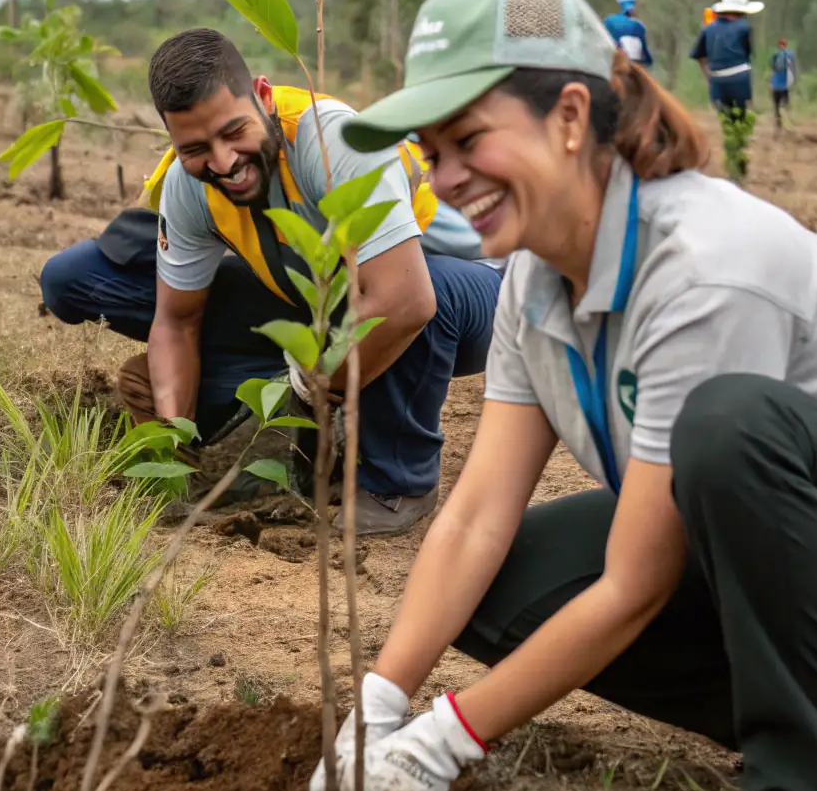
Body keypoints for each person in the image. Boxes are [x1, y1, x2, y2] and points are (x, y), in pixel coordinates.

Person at [304, 0, 817, 791]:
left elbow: (635, 584)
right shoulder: (534, 285)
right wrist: (381, 706)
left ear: (571, 115)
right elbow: (472, 519)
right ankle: (804, 674)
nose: (444, 175)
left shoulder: (704, 265)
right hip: (767, 536)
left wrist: (447, 739)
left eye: (468, 138)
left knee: (729, 421)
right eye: (428, 150)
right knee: (488, 588)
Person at [39, 28, 501, 536]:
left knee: (410, 296)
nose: (223, 162)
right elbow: (176, 321)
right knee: (87, 278)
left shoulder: (330, 142)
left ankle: (396, 481)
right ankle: (256, 392)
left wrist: (314, 391)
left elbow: (408, 300)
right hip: (321, 294)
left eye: (234, 132)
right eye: (195, 148)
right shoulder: (188, 183)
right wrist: (173, 445)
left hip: (468, 292)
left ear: (262, 96)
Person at [689, 0, 764, 114]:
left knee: (726, 118)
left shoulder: (708, 29)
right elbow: (747, 55)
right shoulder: (744, 27)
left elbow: (700, 57)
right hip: (739, 79)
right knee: (741, 117)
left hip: (718, 81)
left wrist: (710, 78)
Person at [603, 0, 653, 67]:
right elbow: (645, 52)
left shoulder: (609, 20)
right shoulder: (639, 26)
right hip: (636, 63)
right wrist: (649, 60)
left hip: (615, 60)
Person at [768, 36, 797, 129]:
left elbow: (772, 70)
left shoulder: (775, 55)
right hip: (785, 85)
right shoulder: (790, 54)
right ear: (786, 45)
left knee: (776, 105)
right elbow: (792, 70)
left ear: (779, 45)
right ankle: (788, 123)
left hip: (776, 84)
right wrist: (792, 81)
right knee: (785, 104)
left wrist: (770, 83)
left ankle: (778, 123)